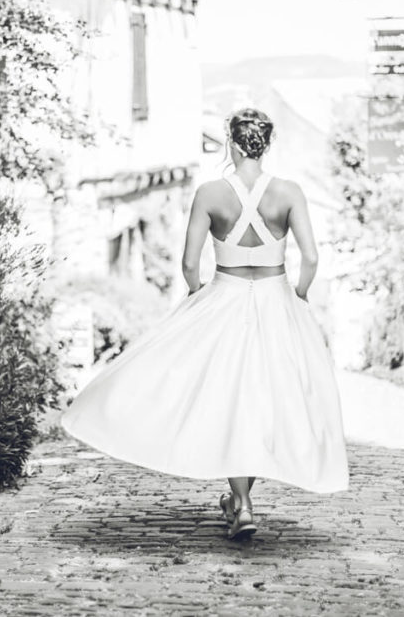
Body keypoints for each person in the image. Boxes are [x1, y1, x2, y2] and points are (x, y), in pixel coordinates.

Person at [60, 108, 349, 540]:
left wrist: (198, 295)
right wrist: (300, 294)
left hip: (226, 298)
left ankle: (241, 504)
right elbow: (310, 258)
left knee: (229, 400)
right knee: (263, 403)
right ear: (265, 144)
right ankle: (243, 501)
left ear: (232, 143)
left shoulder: (210, 193)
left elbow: (190, 262)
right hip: (275, 301)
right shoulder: (289, 193)